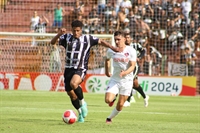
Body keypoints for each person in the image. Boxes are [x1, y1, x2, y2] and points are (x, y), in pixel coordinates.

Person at [50, 20, 120, 123]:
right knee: (71, 94)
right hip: (68, 69)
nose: (76, 33)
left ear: (81, 30)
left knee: (74, 83)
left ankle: (83, 103)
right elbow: (52, 42)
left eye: (78, 31)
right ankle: (80, 113)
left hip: (80, 68)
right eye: (74, 31)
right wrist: (59, 34)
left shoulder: (87, 38)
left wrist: (112, 47)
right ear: (71, 30)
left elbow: (101, 41)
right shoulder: (66, 37)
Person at [109, 33, 149, 107]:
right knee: (135, 84)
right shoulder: (120, 47)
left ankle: (128, 100)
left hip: (134, 67)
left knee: (129, 81)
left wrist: (139, 57)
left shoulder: (135, 45)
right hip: (123, 69)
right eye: (126, 37)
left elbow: (143, 51)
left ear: (130, 39)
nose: (127, 39)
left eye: (128, 37)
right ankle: (145, 97)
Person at [104, 31, 137, 123]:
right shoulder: (111, 50)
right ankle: (113, 97)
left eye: (118, 39)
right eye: (115, 40)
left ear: (124, 39)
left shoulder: (131, 51)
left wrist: (125, 73)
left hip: (127, 81)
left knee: (121, 104)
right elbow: (107, 60)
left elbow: (132, 66)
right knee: (108, 100)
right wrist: (107, 72)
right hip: (115, 79)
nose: (117, 42)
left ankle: (109, 118)